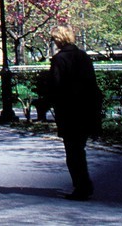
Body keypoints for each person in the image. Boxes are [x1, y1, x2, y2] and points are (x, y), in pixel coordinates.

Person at [47, 26, 101, 200]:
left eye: (55, 39)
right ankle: (84, 184)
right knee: (79, 148)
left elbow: (55, 86)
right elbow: (92, 84)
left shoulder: (59, 60)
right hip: (86, 109)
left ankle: (81, 185)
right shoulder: (83, 57)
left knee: (72, 151)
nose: (54, 42)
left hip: (68, 111)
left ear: (60, 39)